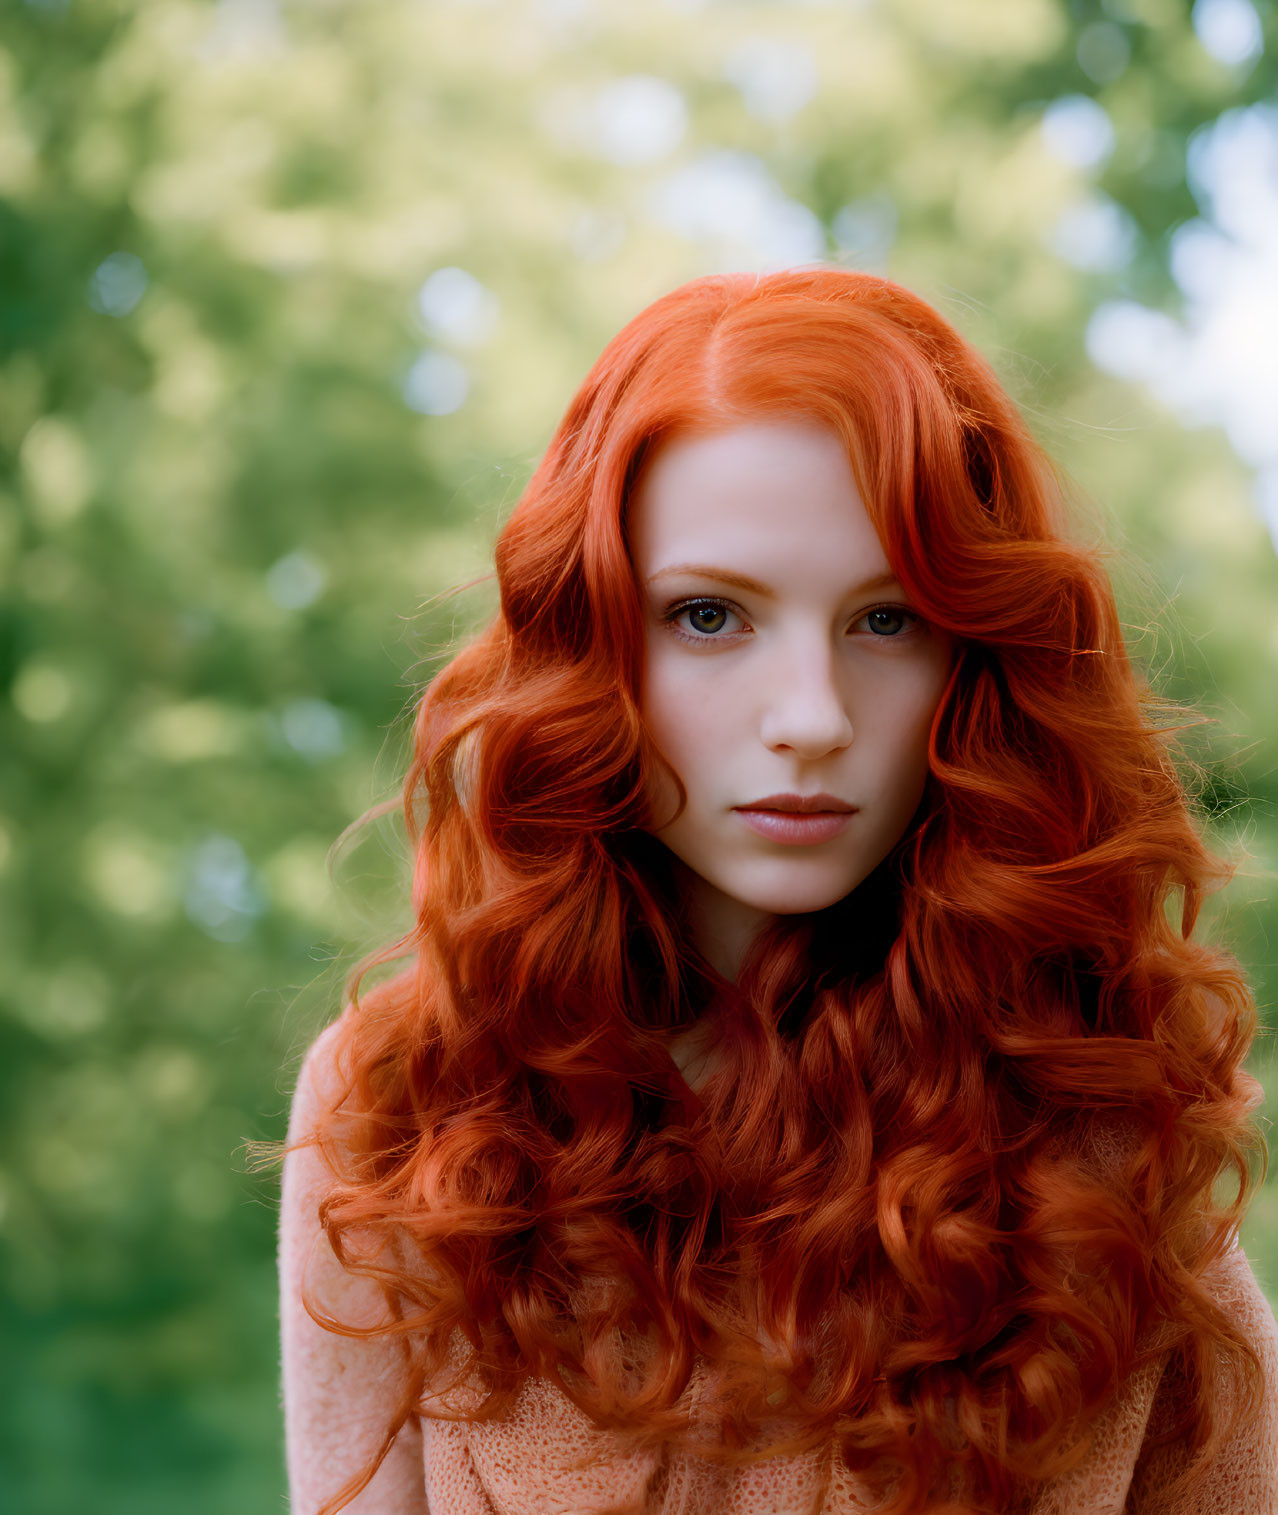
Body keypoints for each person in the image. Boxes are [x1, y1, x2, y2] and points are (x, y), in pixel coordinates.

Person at [276, 268, 1278, 1514]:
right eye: (709, 615)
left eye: (889, 620)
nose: (810, 717)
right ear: (592, 642)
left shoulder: (1105, 1124)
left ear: (976, 657)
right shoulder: (400, 1108)